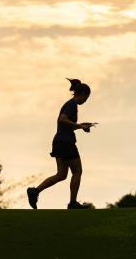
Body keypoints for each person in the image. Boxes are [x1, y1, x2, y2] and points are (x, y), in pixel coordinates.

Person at [27, 78, 96, 209]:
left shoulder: (70, 104)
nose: (86, 101)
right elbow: (62, 120)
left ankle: (35, 191)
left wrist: (81, 126)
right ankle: (73, 203)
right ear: (82, 94)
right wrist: (78, 125)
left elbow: (66, 124)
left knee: (61, 175)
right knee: (77, 171)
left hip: (59, 141)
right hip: (66, 142)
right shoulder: (72, 104)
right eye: (86, 97)